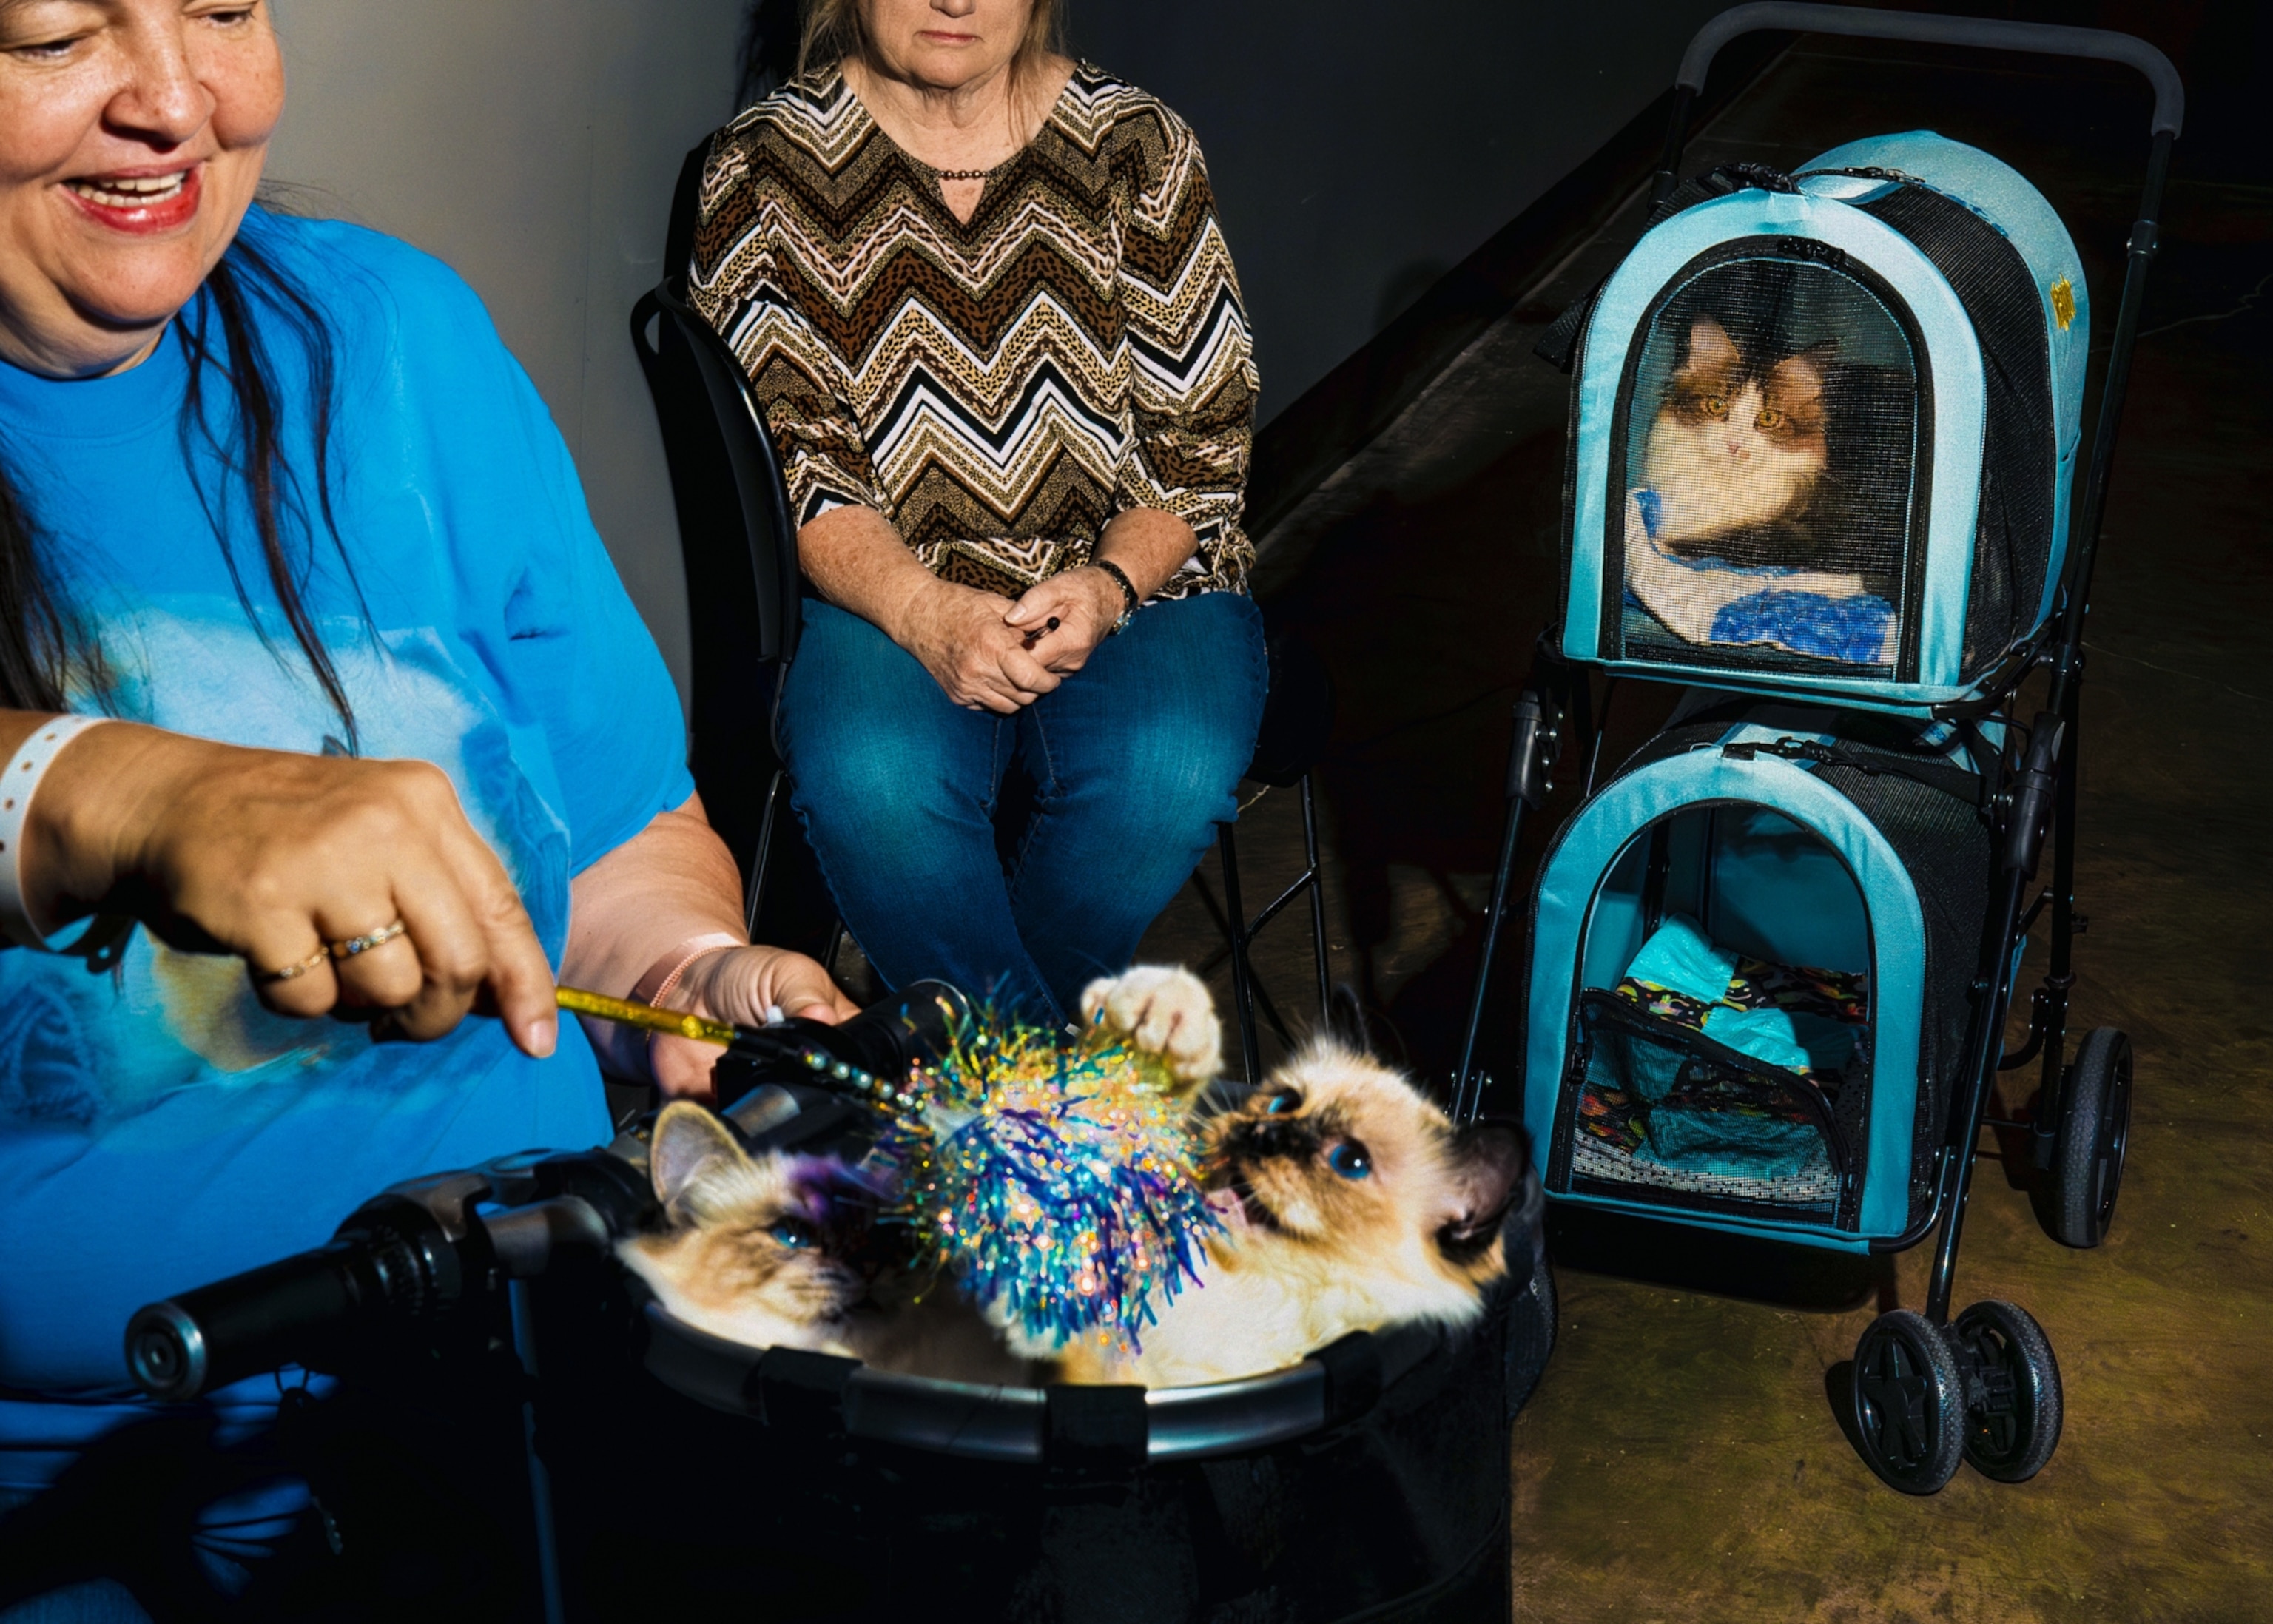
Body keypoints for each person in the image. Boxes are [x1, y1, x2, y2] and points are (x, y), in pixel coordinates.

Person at [0, 1, 852, 1614]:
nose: (174, 100)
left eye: (222, 8)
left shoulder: (400, 337)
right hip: (84, 1506)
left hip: (515, 1393)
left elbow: (616, 836)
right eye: (52, 34)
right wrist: (113, 788)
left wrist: (685, 972)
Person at [692, 0, 1267, 1023]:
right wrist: (924, 613)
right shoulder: (764, 164)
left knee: (1166, 773)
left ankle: (975, 1075)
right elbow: (798, 460)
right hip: (882, 586)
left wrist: (1109, 584)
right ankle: (1037, 1093)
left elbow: (1200, 434)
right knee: (875, 777)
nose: (956, 1)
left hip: (1138, 573)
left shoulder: (1136, 141)